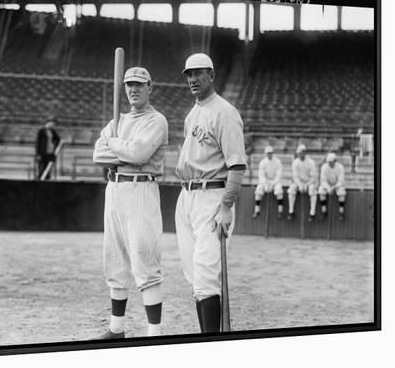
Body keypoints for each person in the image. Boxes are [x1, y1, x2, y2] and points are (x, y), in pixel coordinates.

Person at [92, 66, 168, 339]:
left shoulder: (156, 120)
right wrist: (119, 147)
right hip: (114, 188)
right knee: (114, 259)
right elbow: (98, 155)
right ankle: (116, 329)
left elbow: (139, 154)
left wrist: (114, 144)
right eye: (129, 85)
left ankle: (154, 333)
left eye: (139, 84)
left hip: (141, 189)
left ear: (150, 87)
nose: (133, 89)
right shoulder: (117, 120)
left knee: (144, 258)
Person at [174, 53, 246, 333]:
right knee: (194, 278)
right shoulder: (193, 112)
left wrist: (226, 206)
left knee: (205, 277)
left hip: (212, 197)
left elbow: (237, 166)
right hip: (187, 197)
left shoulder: (225, 112)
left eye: (198, 73)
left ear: (212, 75)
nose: (192, 79)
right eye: (188, 74)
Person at [287, 144, 318, 222]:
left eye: (300, 153)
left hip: (310, 182)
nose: (299, 154)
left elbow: (314, 177)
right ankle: (291, 211)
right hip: (299, 183)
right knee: (291, 189)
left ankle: (312, 213)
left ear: (304, 152)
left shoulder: (311, 162)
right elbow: (295, 176)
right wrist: (300, 185)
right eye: (298, 153)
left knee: (312, 190)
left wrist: (307, 184)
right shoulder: (295, 162)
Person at [253, 146, 284, 219]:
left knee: (279, 190)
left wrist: (272, 184)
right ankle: (257, 211)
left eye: (270, 153)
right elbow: (261, 175)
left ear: (272, 153)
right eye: (268, 153)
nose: (269, 154)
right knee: (259, 189)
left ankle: (280, 211)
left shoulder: (277, 161)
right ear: (265, 153)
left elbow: (279, 175)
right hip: (265, 182)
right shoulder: (262, 162)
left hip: (275, 182)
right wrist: (266, 184)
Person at [318, 153, 346, 221]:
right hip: (327, 185)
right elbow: (323, 180)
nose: (329, 163)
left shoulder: (340, 167)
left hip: (337, 185)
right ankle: (324, 211)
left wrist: (334, 187)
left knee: (341, 192)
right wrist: (328, 188)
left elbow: (341, 181)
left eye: (331, 162)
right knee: (321, 191)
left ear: (335, 161)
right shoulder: (324, 167)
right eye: (328, 162)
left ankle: (341, 212)